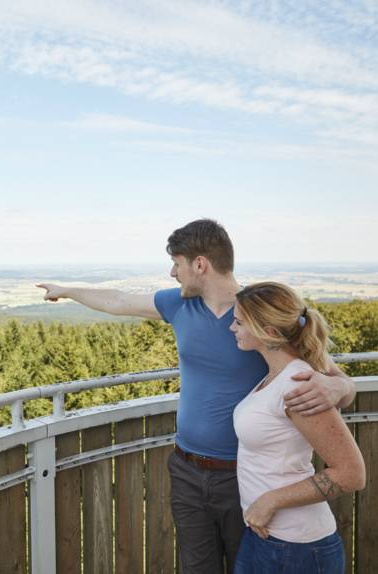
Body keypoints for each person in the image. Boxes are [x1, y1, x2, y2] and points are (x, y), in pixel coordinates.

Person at [37, 218, 355, 573]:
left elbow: (328, 373)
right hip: (186, 469)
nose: (173, 273)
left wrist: (340, 386)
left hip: (244, 477)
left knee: (246, 563)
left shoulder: (257, 314)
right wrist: (67, 290)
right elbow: (117, 300)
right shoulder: (179, 306)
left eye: (177, 263)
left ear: (199, 264)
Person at [230, 282, 365, 573]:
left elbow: (352, 474)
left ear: (269, 332)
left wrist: (270, 501)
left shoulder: (298, 385)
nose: (232, 328)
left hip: (296, 548)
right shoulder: (278, 377)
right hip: (266, 534)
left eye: (239, 322)